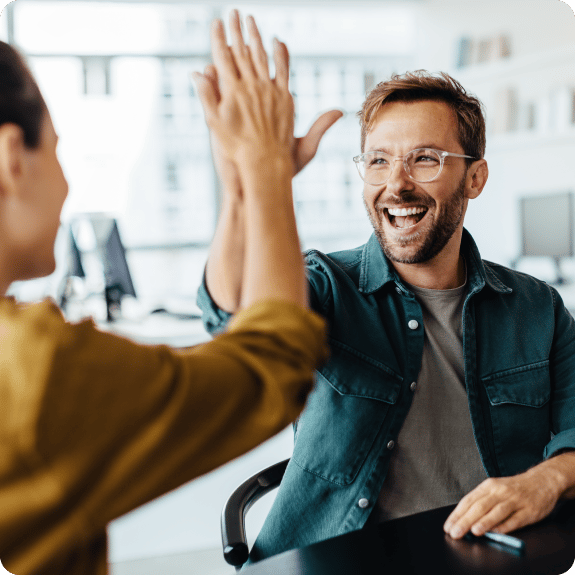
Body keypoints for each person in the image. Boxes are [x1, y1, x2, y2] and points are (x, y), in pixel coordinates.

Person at [197, 52, 575, 562]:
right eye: (378, 160)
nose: (396, 184)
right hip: (331, 558)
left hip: (483, 558)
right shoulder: (327, 286)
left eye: (424, 159)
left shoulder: (538, 308)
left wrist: (548, 479)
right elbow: (234, 317)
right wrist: (249, 186)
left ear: (475, 178)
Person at [0, 12, 329, 575]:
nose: (68, 183)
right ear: (11, 159)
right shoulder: (31, 368)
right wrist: (267, 165)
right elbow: (270, 365)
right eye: (56, 151)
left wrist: (246, 187)